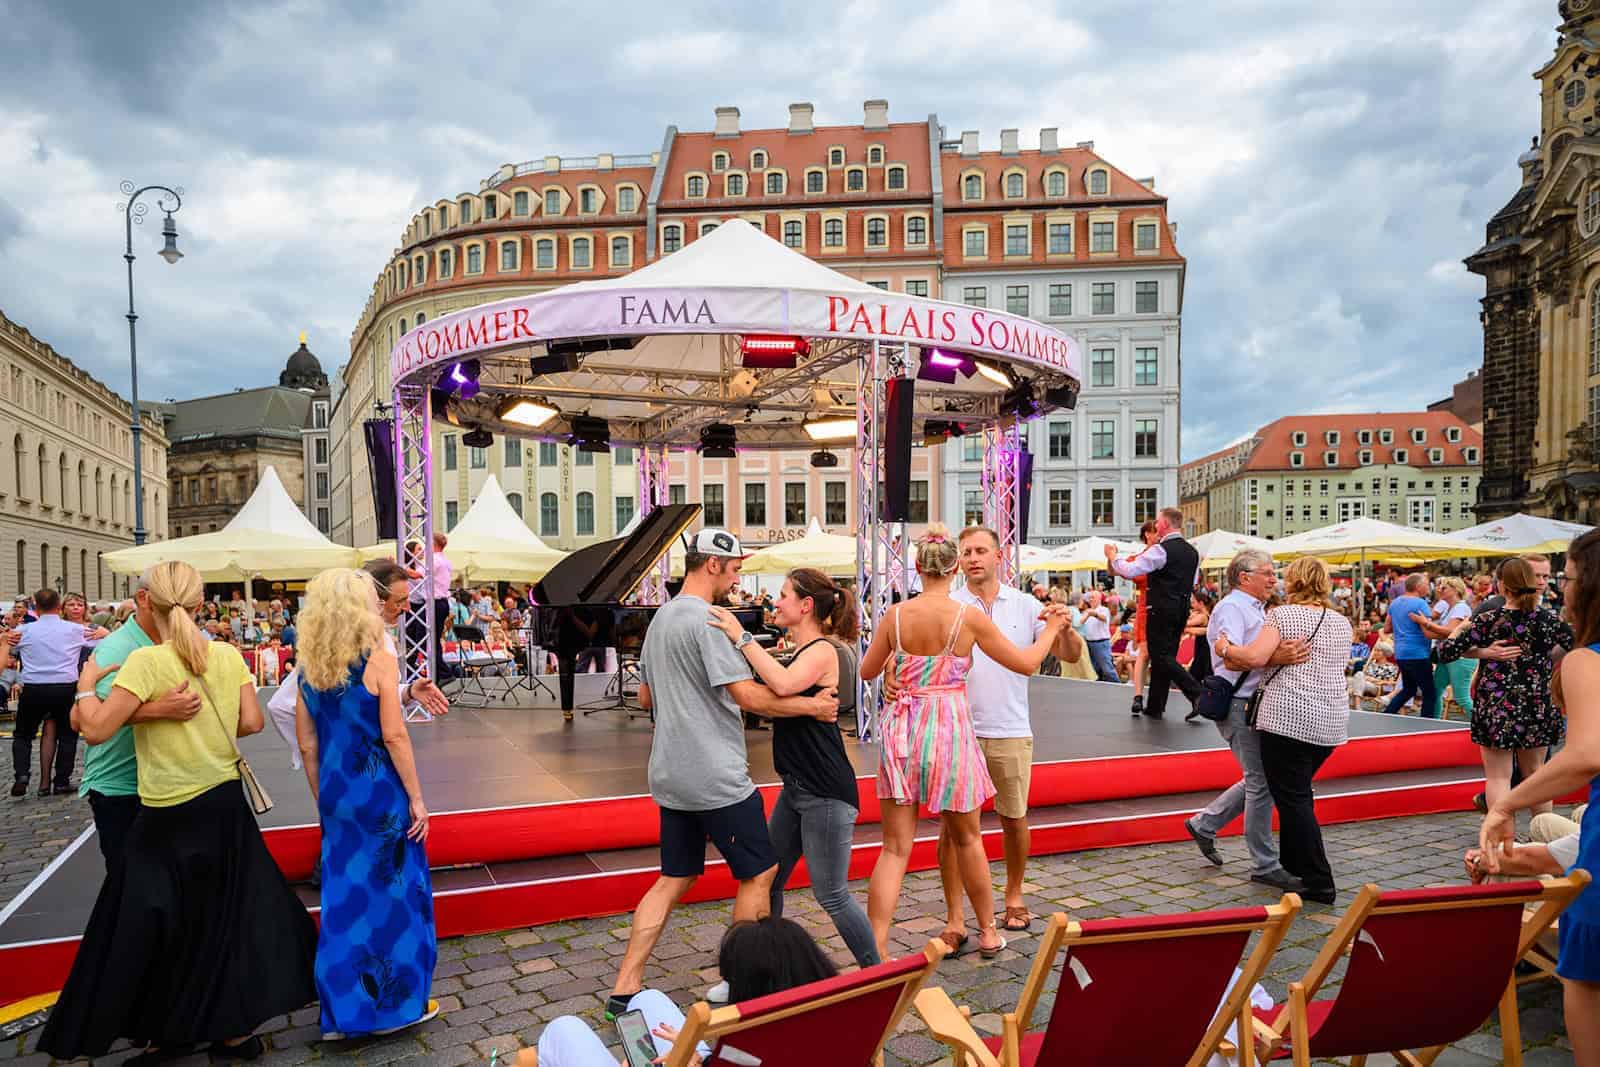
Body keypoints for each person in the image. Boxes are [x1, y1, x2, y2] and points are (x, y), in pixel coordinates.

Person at [39, 561, 317, 1062]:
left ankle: (168, 1028)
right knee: (221, 917)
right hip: (224, 801)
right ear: (198, 603)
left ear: (150, 602)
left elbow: (96, 729)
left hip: (167, 806)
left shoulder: (146, 663)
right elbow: (251, 722)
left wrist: (85, 683)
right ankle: (232, 1031)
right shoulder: (228, 655)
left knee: (146, 921)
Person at [608, 529, 839, 1021]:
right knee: (760, 872)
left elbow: (646, 698)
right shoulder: (711, 621)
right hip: (715, 775)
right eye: (733, 569)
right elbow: (750, 698)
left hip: (669, 773)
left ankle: (625, 985)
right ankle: (742, 986)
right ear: (711, 565)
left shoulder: (660, 619)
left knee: (674, 876)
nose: (737, 578)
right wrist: (812, 707)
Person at [861, 523, 1069, 961]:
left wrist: (896, 670)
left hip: (903, 731)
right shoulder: (965, 616)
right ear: (955, 566)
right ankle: (989, 932)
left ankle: (876, 945)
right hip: (951, 731)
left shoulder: (895, 615)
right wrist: (1050, 630)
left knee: (895, 848)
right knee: (969, 839)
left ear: (916, 567)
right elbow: (1027, 663)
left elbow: (866, 671)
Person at [707, 567, 878, 970]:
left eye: (783, 595)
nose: (776, 601)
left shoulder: (821, 650)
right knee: (769, 881)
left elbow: (781, 685)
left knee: (831, 893)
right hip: (797, 789)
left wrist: (741, 635)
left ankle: (877, 973)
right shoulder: (802, 650)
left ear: (805, 606)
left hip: (825, 791)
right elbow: (772, 688)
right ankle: (767, 968)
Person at [295, 568, 437, 1041]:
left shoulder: (308, 667)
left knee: (343, 903)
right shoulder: (379, 659)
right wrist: (417, 798)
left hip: (338, 793)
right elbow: (394, 735)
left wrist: (324, 798)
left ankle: (342, 1015)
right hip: (380, 794)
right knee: (396, 899)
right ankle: (395, 1007)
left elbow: (308, 745)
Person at [1479, 528, 1600, 1066]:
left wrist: (1504, 805)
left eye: (1569, 579)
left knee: (1587, 981)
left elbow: (1587, 753)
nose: (1561, 591)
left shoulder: (1586, 659)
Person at [928, 526, 1081, 946]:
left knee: (1014, 819)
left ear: (999, 556)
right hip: (958, 730)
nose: (974, 557)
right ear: (958, 561)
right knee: (954, 830)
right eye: (967, 552)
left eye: (981, 550)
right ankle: (956, 916)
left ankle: (1014, 896)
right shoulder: (949, 605)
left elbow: (1069, 655)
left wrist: (1062, 627)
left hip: (1010, 726)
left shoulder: (1026, 604)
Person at [1215, 557, 1352, 905]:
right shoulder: (1341, 621)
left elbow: (1255, 657)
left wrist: (1224, 648)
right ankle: (1296, 867)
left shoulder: (1283, 615)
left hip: (1289, 717)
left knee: (1295, 801)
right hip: (1331, 721)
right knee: (1295, 793)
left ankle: (1319, 881)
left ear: (1294, 581)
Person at [532, 916, 838, 1067]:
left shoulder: (755, 1041)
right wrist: (699, 1058)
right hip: (742, 1060)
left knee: (563, 1029)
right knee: (646, 999)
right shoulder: (836, 1020)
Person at [1184, 549, 1309, 893]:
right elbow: (1236, 659)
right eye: (1267, 573)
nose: (1274, 579)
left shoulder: (1252, 607)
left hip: (1252, 703)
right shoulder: (1233, 608)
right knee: (1261, 782)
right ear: (1244, 577)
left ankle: (1205, 824)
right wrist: (1275, 654)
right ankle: (1264, 863)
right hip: (1240, 704)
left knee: (1262, 778)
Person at [76, 571, 205, 868]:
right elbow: (81, 719)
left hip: (173, 782)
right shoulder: (119, 648)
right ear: (144, 599)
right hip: (124, 786)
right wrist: (159, 709)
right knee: (132, 890)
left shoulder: (193, 643)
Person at [266, 559, 448, 770]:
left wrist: (408, 692)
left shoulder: (328, 649)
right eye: (399, 601)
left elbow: (371, 695)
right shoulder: (356, 648)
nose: (407, 608)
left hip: (348, 771)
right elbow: (281, 706)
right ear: (373, 600)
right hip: (373, 764)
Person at [1441, 556, 1573, 815]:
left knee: (1499, 777)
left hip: (1497, 704)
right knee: (1537, 774)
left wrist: (1484, 652)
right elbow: (1572, 641)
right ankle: (1542, 836)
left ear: (1502, 586)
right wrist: (1544, 660)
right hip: (1537, 702)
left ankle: (1501, 839)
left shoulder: (1489, 620)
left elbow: (1447, 652)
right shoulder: (1548, 620)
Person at [0, 588, 97, 796]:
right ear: (59, 606)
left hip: (34, 687)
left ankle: (22, 776)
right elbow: (101, 641)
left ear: (34, 606)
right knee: (68, 735)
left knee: (23, 735)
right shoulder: (74, 629)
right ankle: (61, 780)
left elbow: (10, 651)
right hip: (65, 687)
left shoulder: (24, 632)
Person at [1106, 507, 1202, 718]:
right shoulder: (1192, 552)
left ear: (1166, 524)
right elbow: (1194, 582)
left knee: (1160, 655)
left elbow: (1130, 570)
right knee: (1165, 656)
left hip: (1161, 608)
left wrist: (1113, 557)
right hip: (1182, 608)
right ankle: (1156, 705)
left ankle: (1197, 693)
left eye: (1158, 522)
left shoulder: (1161, 550)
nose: (1156, 526)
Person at [1411, 576, 1475, 720]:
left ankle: (1483, 725)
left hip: (1460, 657)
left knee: (1461, 697)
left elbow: (1450, 631)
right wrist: (1424, 624)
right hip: (1448, 656)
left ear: (1455, 590)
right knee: (1436, 691)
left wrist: (1425, 623)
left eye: (1444, 587)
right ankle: (1435, 722)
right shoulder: (1449, 608)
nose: (1439, 589)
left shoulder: (1461, 607)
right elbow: (1439, 632)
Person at [1380, 573, 1436, 716]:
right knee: (1429, 692)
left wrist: (1401, 623)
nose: (1428, 587)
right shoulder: (1421, 603)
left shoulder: (1395, 602)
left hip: (1401, 653)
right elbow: (1428, 632)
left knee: (1409, 689)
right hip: (1418, 653)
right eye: (1426, 584)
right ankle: (1426, 725)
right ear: (1418, 586)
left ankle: (1388, 713)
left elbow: (1386, 629)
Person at [1123, 520, 1161, 713]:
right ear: (1148, 534)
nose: (1160, 535)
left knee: (1157, 655)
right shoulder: (1140, 558)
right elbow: (1129, 572)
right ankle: (1138, 695)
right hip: (1146, 608)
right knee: (1144, 653)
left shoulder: (1163, 554)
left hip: (1158, 607)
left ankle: (1150, 696)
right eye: (1157, 532)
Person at [1078, 589, 1118, 682]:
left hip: (1101, 643)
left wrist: (1094, 614)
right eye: (1090, 598)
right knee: (1093, 670)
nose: (1091, 599)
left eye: (1093, 598)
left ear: (1099, 599)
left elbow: (1103, 618)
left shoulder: (1104, 610)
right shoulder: (1086, 611)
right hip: (1089, 643)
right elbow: (1080, 623)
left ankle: (1119, 686)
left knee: (1107, 670)